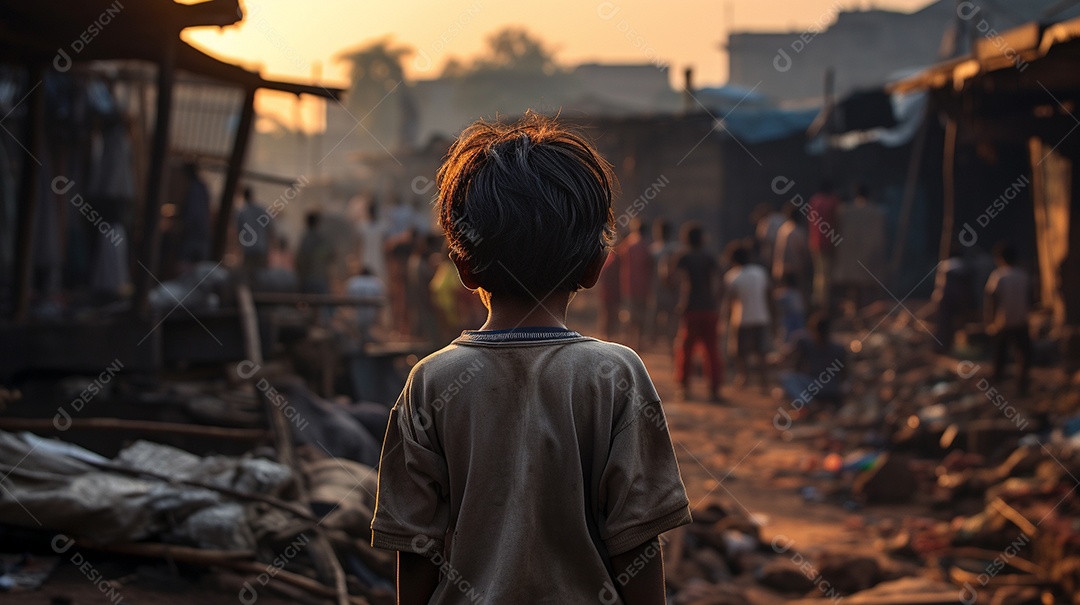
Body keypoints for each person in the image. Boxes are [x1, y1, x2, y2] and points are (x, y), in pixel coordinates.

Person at [370, 114, 691, 605]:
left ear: (462, 265)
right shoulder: (616, 375)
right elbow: (637, 544)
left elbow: (415, 550)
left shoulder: (431, 382)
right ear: (594, 266)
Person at [673, 222, 724, 402]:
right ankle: (714, 389)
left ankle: (684, 387)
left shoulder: (684, 257)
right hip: (709, 308)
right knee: (711, 350)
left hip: (691, 307)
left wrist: (679, 300)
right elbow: (720, 279)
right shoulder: (709, 257)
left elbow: (672, 279)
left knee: (686, 349)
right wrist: (717, 300)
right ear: (702, 239)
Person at [723, 242, 772, 390]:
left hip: (741, 318)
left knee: (739, 352)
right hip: (761, 316)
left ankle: (744, 376)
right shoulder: (760, 272)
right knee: (761, 352)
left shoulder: (732, 276)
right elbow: (769, 295)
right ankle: (764, 381)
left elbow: (730, 301)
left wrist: (725, 319)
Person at [984, 243, 1031, 394]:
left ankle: (997, 384)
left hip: (1003, 321)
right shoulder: (1023, 275)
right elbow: (1031, 297)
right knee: (1023, 354)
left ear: (1000, 259)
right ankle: (1021, 384)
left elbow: (991, 298)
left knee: (999, 353)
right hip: (1021, 320)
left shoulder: (999, 275)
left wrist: (989, 320)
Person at [778, 313, 846, 415]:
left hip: (816, 385)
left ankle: (810, 405)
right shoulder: (839, 348)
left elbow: (797, 366)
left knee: (788, 378)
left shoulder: (806, 343)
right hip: (832, 387)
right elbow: (845, 375)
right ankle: (816, 405)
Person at [832, 184, 887, 311]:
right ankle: (862, 313)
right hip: (868, 256)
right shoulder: (876, 212)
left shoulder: (844, 210)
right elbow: (880, 237)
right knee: (866, 288)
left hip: (849, 256)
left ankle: (856, 313)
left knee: (853, 288)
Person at [618, 217, 652, 351]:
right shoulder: (645, 246)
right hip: (643, 286)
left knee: (630, 315)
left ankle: (629, 341)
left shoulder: (628, 243)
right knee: (641, 316)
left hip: (628, 285)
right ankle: (638, 342)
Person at [807, 180, 841, 312]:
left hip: (814, 243)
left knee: (819, 274)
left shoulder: (814, 200)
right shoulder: (833, 202)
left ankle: (817, 302)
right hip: (829, 243)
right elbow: (837, 222)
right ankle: (824, 306)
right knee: (826, 276)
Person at [650, 218, 680, 352]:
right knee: (665, 318)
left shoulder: (654, 250)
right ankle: (665, 344)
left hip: (666, 289)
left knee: (665, 317)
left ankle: (666, 344)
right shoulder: (675, 249)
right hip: (663, 289)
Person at [295, 211, 335, 297]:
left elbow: (299, 259)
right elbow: (331, 255)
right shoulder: (323, 239)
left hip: (307, 278)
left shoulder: (305, 239)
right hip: (320, 277)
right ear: (318, 222)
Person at [236, 186, 272, 280]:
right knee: (261, 277)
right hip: (261, 248)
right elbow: (269, 229)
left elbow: (239, 233)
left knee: (248, 277)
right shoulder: (262, 210)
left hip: (249, 249)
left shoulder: (242, 213)